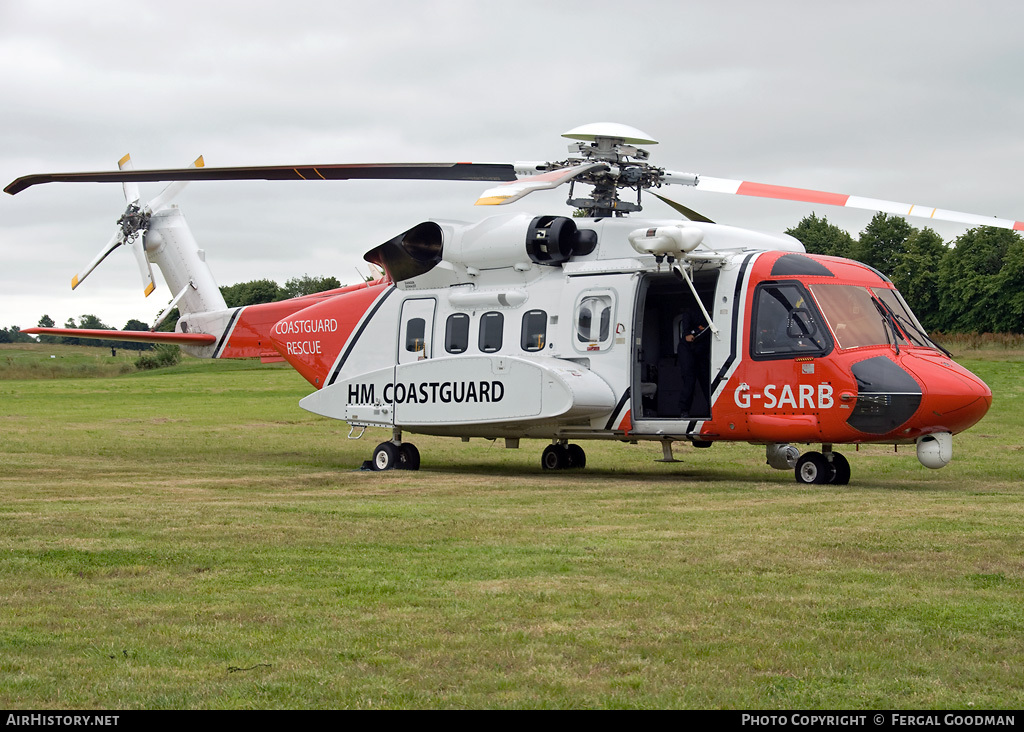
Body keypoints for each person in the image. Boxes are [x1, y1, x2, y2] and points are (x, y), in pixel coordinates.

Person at [677, 309, 710, 416]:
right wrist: (689, 333)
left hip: (702, 351)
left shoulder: (711, 320)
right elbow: (688, 336)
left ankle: (711, 407)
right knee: (689, 380)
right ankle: (684, 410)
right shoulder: (691, 313)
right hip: (688, 350)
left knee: (706, 381)